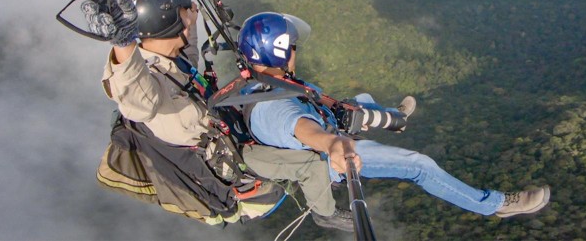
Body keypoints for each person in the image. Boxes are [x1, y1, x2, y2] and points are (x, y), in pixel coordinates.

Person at [81, 0, 354, 231]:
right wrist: (123, 46)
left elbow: (186, 50)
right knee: (312, 165)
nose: (191, 12)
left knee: (275, 99)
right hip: (235, 163)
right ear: (171, 20)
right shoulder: (146, 87)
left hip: (230, 130)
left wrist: (194, 12)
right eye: (186, 10)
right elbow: (135, 100)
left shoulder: (168, 57)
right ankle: (325, 213)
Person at [236, 12, 551, 219]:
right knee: (419, 165)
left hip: (324, 124)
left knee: (363, 101)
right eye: (292, 46)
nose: (295, 51)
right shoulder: (272, 107)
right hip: (328, 154)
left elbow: (303, 115)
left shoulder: (262, 81)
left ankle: (392, 116)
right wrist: (333, 145)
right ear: (277, 52)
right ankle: (495, 206)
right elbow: (301, 127)